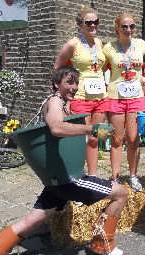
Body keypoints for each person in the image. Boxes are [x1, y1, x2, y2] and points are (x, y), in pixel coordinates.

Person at [0, 66, 128, 255]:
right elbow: (56, 128)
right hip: (69, 179)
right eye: (68, 82)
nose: (73, 87)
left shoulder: (61, 103)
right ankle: (102, 244)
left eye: (75, 82)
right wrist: (91, 129)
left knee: (31, 222)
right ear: (56, 85)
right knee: (121, 193)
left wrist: (90, 133)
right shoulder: (54, 101)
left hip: (57, 178)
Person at [103, 12, 145, 191]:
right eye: (124, 26)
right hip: (115, 96)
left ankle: (132, 175)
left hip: (136, 98)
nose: (128, 29)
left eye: (132, 26)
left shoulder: (141, 44)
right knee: (116, 139)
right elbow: (96, 67)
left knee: (133, 138)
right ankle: (115, 178)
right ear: (117, 28)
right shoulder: (109, 48)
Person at [54, 6, 107, 177]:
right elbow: (58, 68)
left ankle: (92, 176)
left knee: (95, 137)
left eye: (96, 22)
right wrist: (63, 94)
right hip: (81, 97)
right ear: (80, 24)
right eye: (89, 22)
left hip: (100, 98)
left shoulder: (99, 42)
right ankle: (74, 175)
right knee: (79, 139)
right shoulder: (72, 44)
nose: (93, 25)